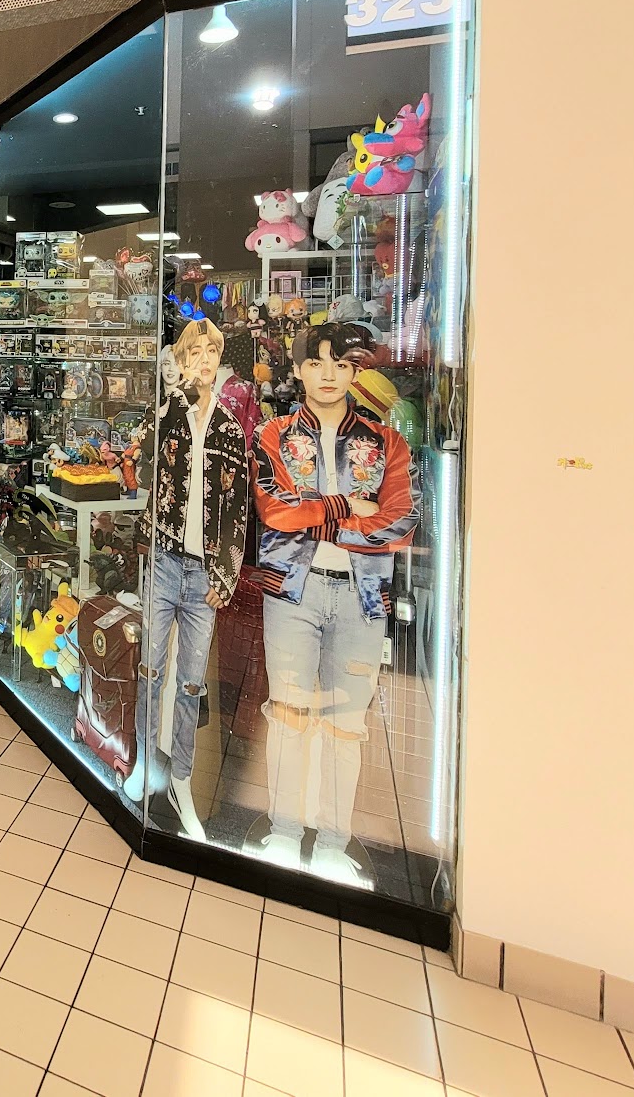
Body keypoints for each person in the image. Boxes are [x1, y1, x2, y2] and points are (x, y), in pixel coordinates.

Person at [249, 321, 417, 885]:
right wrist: (348, 506)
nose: (328, 375)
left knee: (347, 723)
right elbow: (275, 511)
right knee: (288, 713)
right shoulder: (273, 435)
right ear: (298, 370)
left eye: (341, 365)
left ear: (354, 372)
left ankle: (333, 841)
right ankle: (284, 830)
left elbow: (399, 523)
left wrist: (319, 518)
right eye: (317, 363)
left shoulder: (386, 442)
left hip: (363, 596)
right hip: (291, 591)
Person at [130, 317, 259, 840]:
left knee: (190, 682)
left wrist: (226, 573)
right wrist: (168, 403)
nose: (202, 362)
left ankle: (181, 777)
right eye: (193, 354)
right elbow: (139, 458)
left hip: (203, 571)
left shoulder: (229, 426)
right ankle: (145, 762)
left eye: (211, 353)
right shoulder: (166, 412)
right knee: (149, 669)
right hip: (163, 561)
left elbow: (237, 507)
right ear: (180, 360)